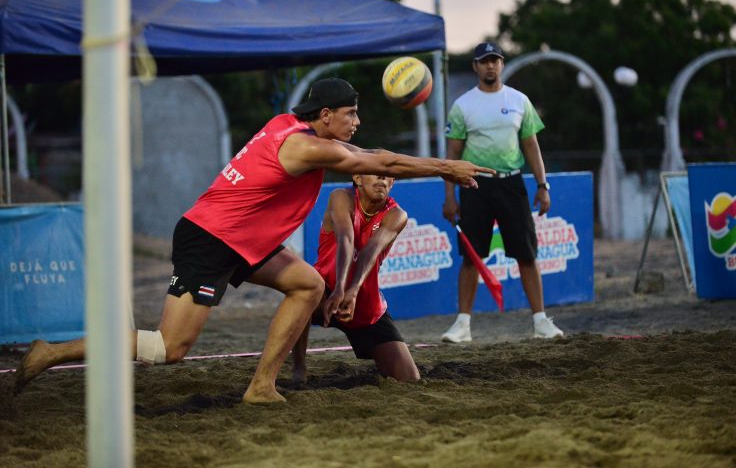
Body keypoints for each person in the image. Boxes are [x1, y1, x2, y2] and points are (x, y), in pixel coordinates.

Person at [15, 78, 492, 403]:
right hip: (210, 238)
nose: (356, 122)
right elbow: (379, 162)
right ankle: (50, 353)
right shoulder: (304, 144)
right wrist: (448, 166)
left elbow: (366, 154)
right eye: (350, 114)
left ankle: (262, 385)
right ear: (325, 115)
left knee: (308, 284)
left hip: (241, 240)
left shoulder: (289, 123)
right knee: (168, 349)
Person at [440, 43, 564, 343]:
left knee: (526, 253)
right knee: (471, 256)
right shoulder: (463, 105)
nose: (490, 66)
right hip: (475, 185)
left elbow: (531, 145)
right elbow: (452, 155)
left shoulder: (519, 101)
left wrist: (542, 185)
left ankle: (540, 321)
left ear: (502, 64)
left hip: (512, 184)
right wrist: (450, 195)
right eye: (484, 61)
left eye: (495, 60)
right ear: (475, 67)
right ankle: (463, 325)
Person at [291, 173, 419, 384]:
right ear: (358, 178)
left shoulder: (397, 214)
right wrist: (340, 289)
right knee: (301, 292)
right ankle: (299, 367)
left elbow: (371, 251)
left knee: (409, 379)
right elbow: (346, 239)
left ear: (393, 183)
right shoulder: (341, 197)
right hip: (326, 289)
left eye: (388, 176)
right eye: (376, 173)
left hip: (363, 300)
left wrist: (352, 291)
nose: (382, 178)